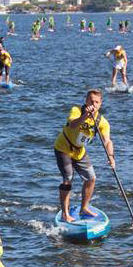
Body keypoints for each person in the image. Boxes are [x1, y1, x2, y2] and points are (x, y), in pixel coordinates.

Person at [53, 89, 115, 222]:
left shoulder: (102, 122)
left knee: (91, 178)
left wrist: (111, 156)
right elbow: (73, 125)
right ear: (86, 102)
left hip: (79, 151)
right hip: (63, 148)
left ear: (100, 104)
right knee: (68, 178)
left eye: (96, 102)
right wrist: (85, 116)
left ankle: (84, 208)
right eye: (91, 101)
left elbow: (107, 140)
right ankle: (65, 213)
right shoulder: (76, 110)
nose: (93, 104)